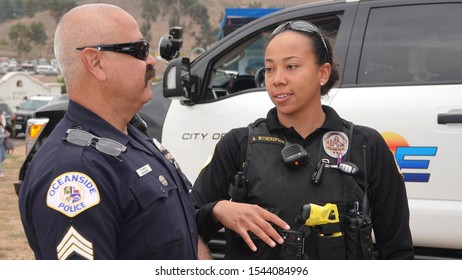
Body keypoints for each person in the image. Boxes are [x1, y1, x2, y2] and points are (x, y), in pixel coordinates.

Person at [192, 20, 414, 260]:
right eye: (269, 69)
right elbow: (184, 223)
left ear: (323, 73)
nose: (277, 79)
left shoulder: (366, 145)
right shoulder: (238, 144)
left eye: (291, 66)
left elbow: (397, 251)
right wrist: (219, 209)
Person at [19, 4, 201, 260]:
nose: (150, 61)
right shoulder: (76, 170)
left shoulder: (133, 136)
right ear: (95, 63)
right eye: (139, 50)